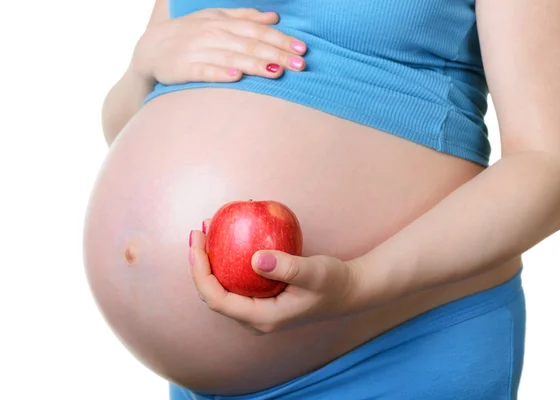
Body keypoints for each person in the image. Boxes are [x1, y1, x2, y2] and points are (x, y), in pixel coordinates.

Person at [83, 0, 560, 399]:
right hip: (198, 379)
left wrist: (361, 282)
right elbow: (125, 124)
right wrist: (142, 69)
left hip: (392, 351)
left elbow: (548, 166)